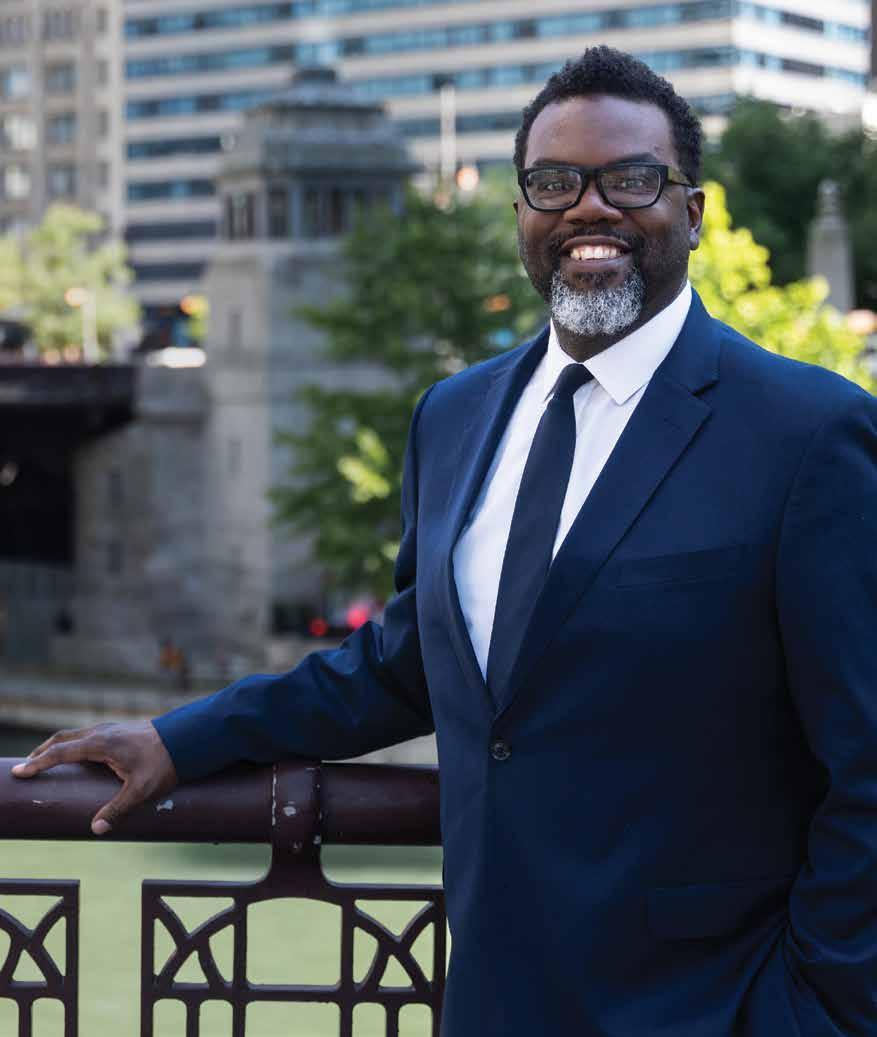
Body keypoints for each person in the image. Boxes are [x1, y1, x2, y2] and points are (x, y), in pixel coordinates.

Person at [12, 47, 877, 1036]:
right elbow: (406, 662)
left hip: (710, 1005)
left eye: (630, 179)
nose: (587, 208)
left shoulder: (809, 432)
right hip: (490, 1001)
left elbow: (865, 764)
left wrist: (815, 1012)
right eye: (554, 183)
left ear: (692, 210)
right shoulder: (454, 415)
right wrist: (181, 738)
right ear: (520, 213)